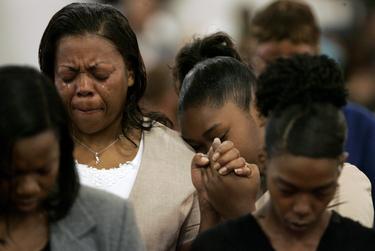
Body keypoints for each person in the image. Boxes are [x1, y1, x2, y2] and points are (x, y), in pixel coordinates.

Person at [38, 3, 199, 250]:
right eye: (68, 76)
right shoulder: (29, 155)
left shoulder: (177, 161)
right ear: (50, 79)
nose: (83, 88)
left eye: (100, 75)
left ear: (131, 73)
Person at [176, 32, 374, 227]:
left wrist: (240, 214)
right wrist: (209, 211)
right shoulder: (206, 200)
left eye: (219, 136)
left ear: (260, 110)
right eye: (196, 148)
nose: (210, 156)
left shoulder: (338, 184)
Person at [246, 0, 375, 221]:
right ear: (254, 61)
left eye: (298, 58)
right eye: (274, 60)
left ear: (317, 53)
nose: (287, 70)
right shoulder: (248, 125)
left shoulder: (362, 125)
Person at [0, 66, 144, 251]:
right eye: (11, 174)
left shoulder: (111, 218)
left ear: (62, 155)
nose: (28, 188)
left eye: (43, 171)